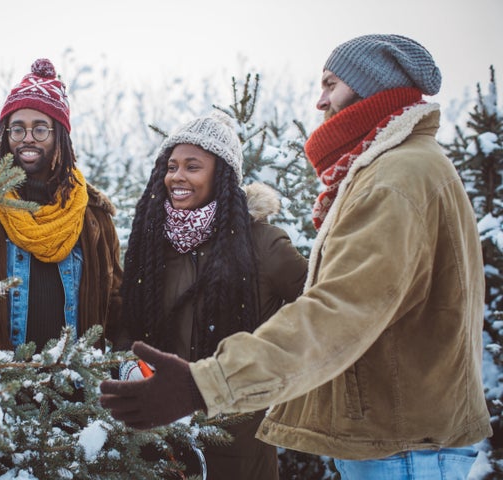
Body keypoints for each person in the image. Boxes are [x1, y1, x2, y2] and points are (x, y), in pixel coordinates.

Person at [100, 34, 492, 480]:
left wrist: (205, 383)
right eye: (172, 165)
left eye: (331, 84)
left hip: (401, 444)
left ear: (372, 87)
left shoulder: (395, 178)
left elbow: (332, 310)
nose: (320, 101)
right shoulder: (396, 169)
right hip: (394, 435)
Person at [114, 111, 307, 479]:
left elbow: (320, 311)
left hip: (237, 443)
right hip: (161, 436)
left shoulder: (263, 244)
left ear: (221, 175)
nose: (177, 177)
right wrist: (130, 367)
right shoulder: (152, 246)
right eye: (172, 166)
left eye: (193, 166)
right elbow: (128, 323)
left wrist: (273, 371)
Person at [0, 58, 123, 352]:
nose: (27, 139)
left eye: (40, 129)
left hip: (74, 386)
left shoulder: (90, 213)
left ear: (59, 134)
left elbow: (113, 298)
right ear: (4, 135)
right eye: (17, 129)